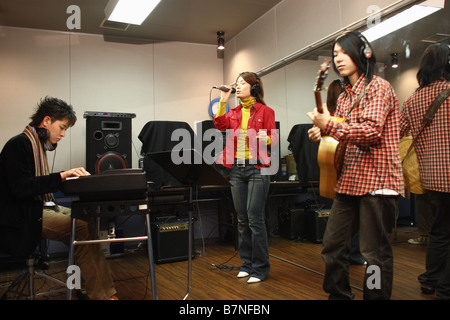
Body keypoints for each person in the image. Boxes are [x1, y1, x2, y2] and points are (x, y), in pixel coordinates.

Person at [307, 31, 404, 299]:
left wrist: (328, 126)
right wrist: (322, 132)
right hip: (350, 181)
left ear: (362, 54)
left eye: (344, 52)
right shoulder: (344, 97)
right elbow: (339, 131)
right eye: (335, 53)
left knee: (374, 255)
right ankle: (339, 295)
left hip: (378, 183)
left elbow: (370, 132)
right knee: (332, 247)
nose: (338, 58)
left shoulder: (379, 87)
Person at [0, 97, 117, 300]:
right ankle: (103, 296)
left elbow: (35, 184)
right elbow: (21, 188)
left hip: (34, 208)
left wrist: (67, 177)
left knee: (86, 220)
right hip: (20, 217)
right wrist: (61, 176)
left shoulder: (35, 144)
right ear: (46, 121)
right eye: (61, 127)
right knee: (80, 227)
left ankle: (87, 286)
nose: (63, 134)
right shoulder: (18, 144)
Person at [214, 72, 277, 283]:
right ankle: (247, 264)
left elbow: (274, 139)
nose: (238, 87)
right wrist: (223, 100)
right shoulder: (233, 112)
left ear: (255, 88)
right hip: (237, 170)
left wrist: (266, 138)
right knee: (241, 220)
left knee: (254, 219)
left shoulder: (265, 111)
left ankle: (260, 268)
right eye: (237, 84)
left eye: (242, 83)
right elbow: (219, 124)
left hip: (258, 169)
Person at [399, 43, 450, 299]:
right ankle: (444, 287)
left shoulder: (412, 100)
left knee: (439, 232)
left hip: (430, 179)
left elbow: (395, 135)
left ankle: (430, 280)